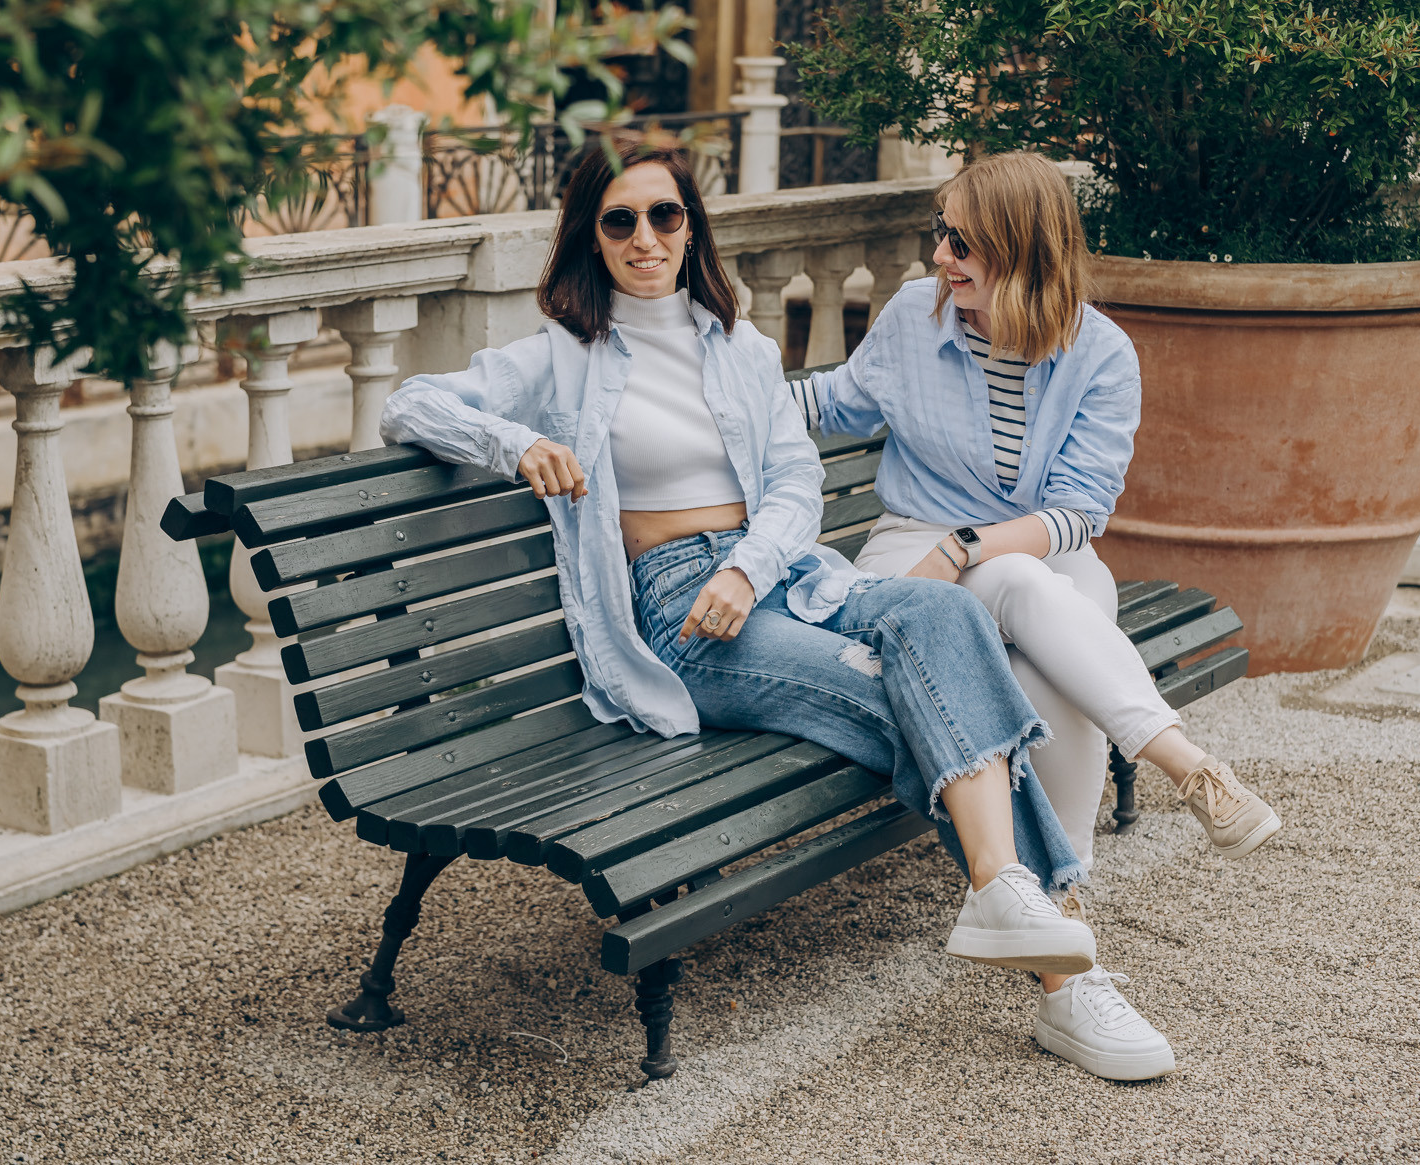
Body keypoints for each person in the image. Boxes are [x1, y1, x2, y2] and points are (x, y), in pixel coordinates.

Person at [382, 135, 1177, 1082]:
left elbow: (797, 480)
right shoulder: (562, 356)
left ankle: (1005, 890)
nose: (645, 238)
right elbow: (411, 402)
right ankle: (1064, 976)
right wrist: (513, 443)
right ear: (591, 236)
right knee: (921, 695)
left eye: (665, 215)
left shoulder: (740, 349)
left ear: (692, 227)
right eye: (620, 220)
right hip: (682, 612)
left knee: (947, 619)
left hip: (778, 577)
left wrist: (749, 568)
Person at [789, 150, 1282, 1068]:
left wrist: (971, 545)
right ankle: (1185, 771)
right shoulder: (914, 318)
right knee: (1034, 607)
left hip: (1041, 556)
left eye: (962, 240)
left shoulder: (1100, 353)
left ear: (1024, 248)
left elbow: (1078, 513)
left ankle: (1064, 939)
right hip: (913, 550)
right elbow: (833, 402)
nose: (940, 255)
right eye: (939, 231)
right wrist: (709, 393)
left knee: (1047, 647)